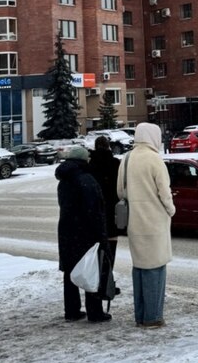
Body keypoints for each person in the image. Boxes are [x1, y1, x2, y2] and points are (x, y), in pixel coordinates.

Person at [117, 122, 175, 328]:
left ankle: (140, 316)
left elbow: (120, 192)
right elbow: (164, 192)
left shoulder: (127, 159)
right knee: (156, 269)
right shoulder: (154, 159)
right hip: (155, 222)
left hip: (135, 222)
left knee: (140, 269)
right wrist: (171, 210)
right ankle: (153, 317)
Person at [56, 145, 112, 323]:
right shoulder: (86, 179)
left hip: (67, 230)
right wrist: (101, 235)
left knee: (70, 271)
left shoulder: (64, 180)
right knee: (90, 269)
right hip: (86, 232)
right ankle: (95, 312)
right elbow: (95, 210)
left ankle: (72, 310)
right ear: (83, 160)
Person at [88, 135, 121, 268]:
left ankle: (97, 274)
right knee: (111, 245)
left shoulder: (90, 165)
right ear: (108, 147)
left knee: (96, 247)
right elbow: (120, 186)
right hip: (112, 209)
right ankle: (108, 274)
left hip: (94, 210)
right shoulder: (115, 163)